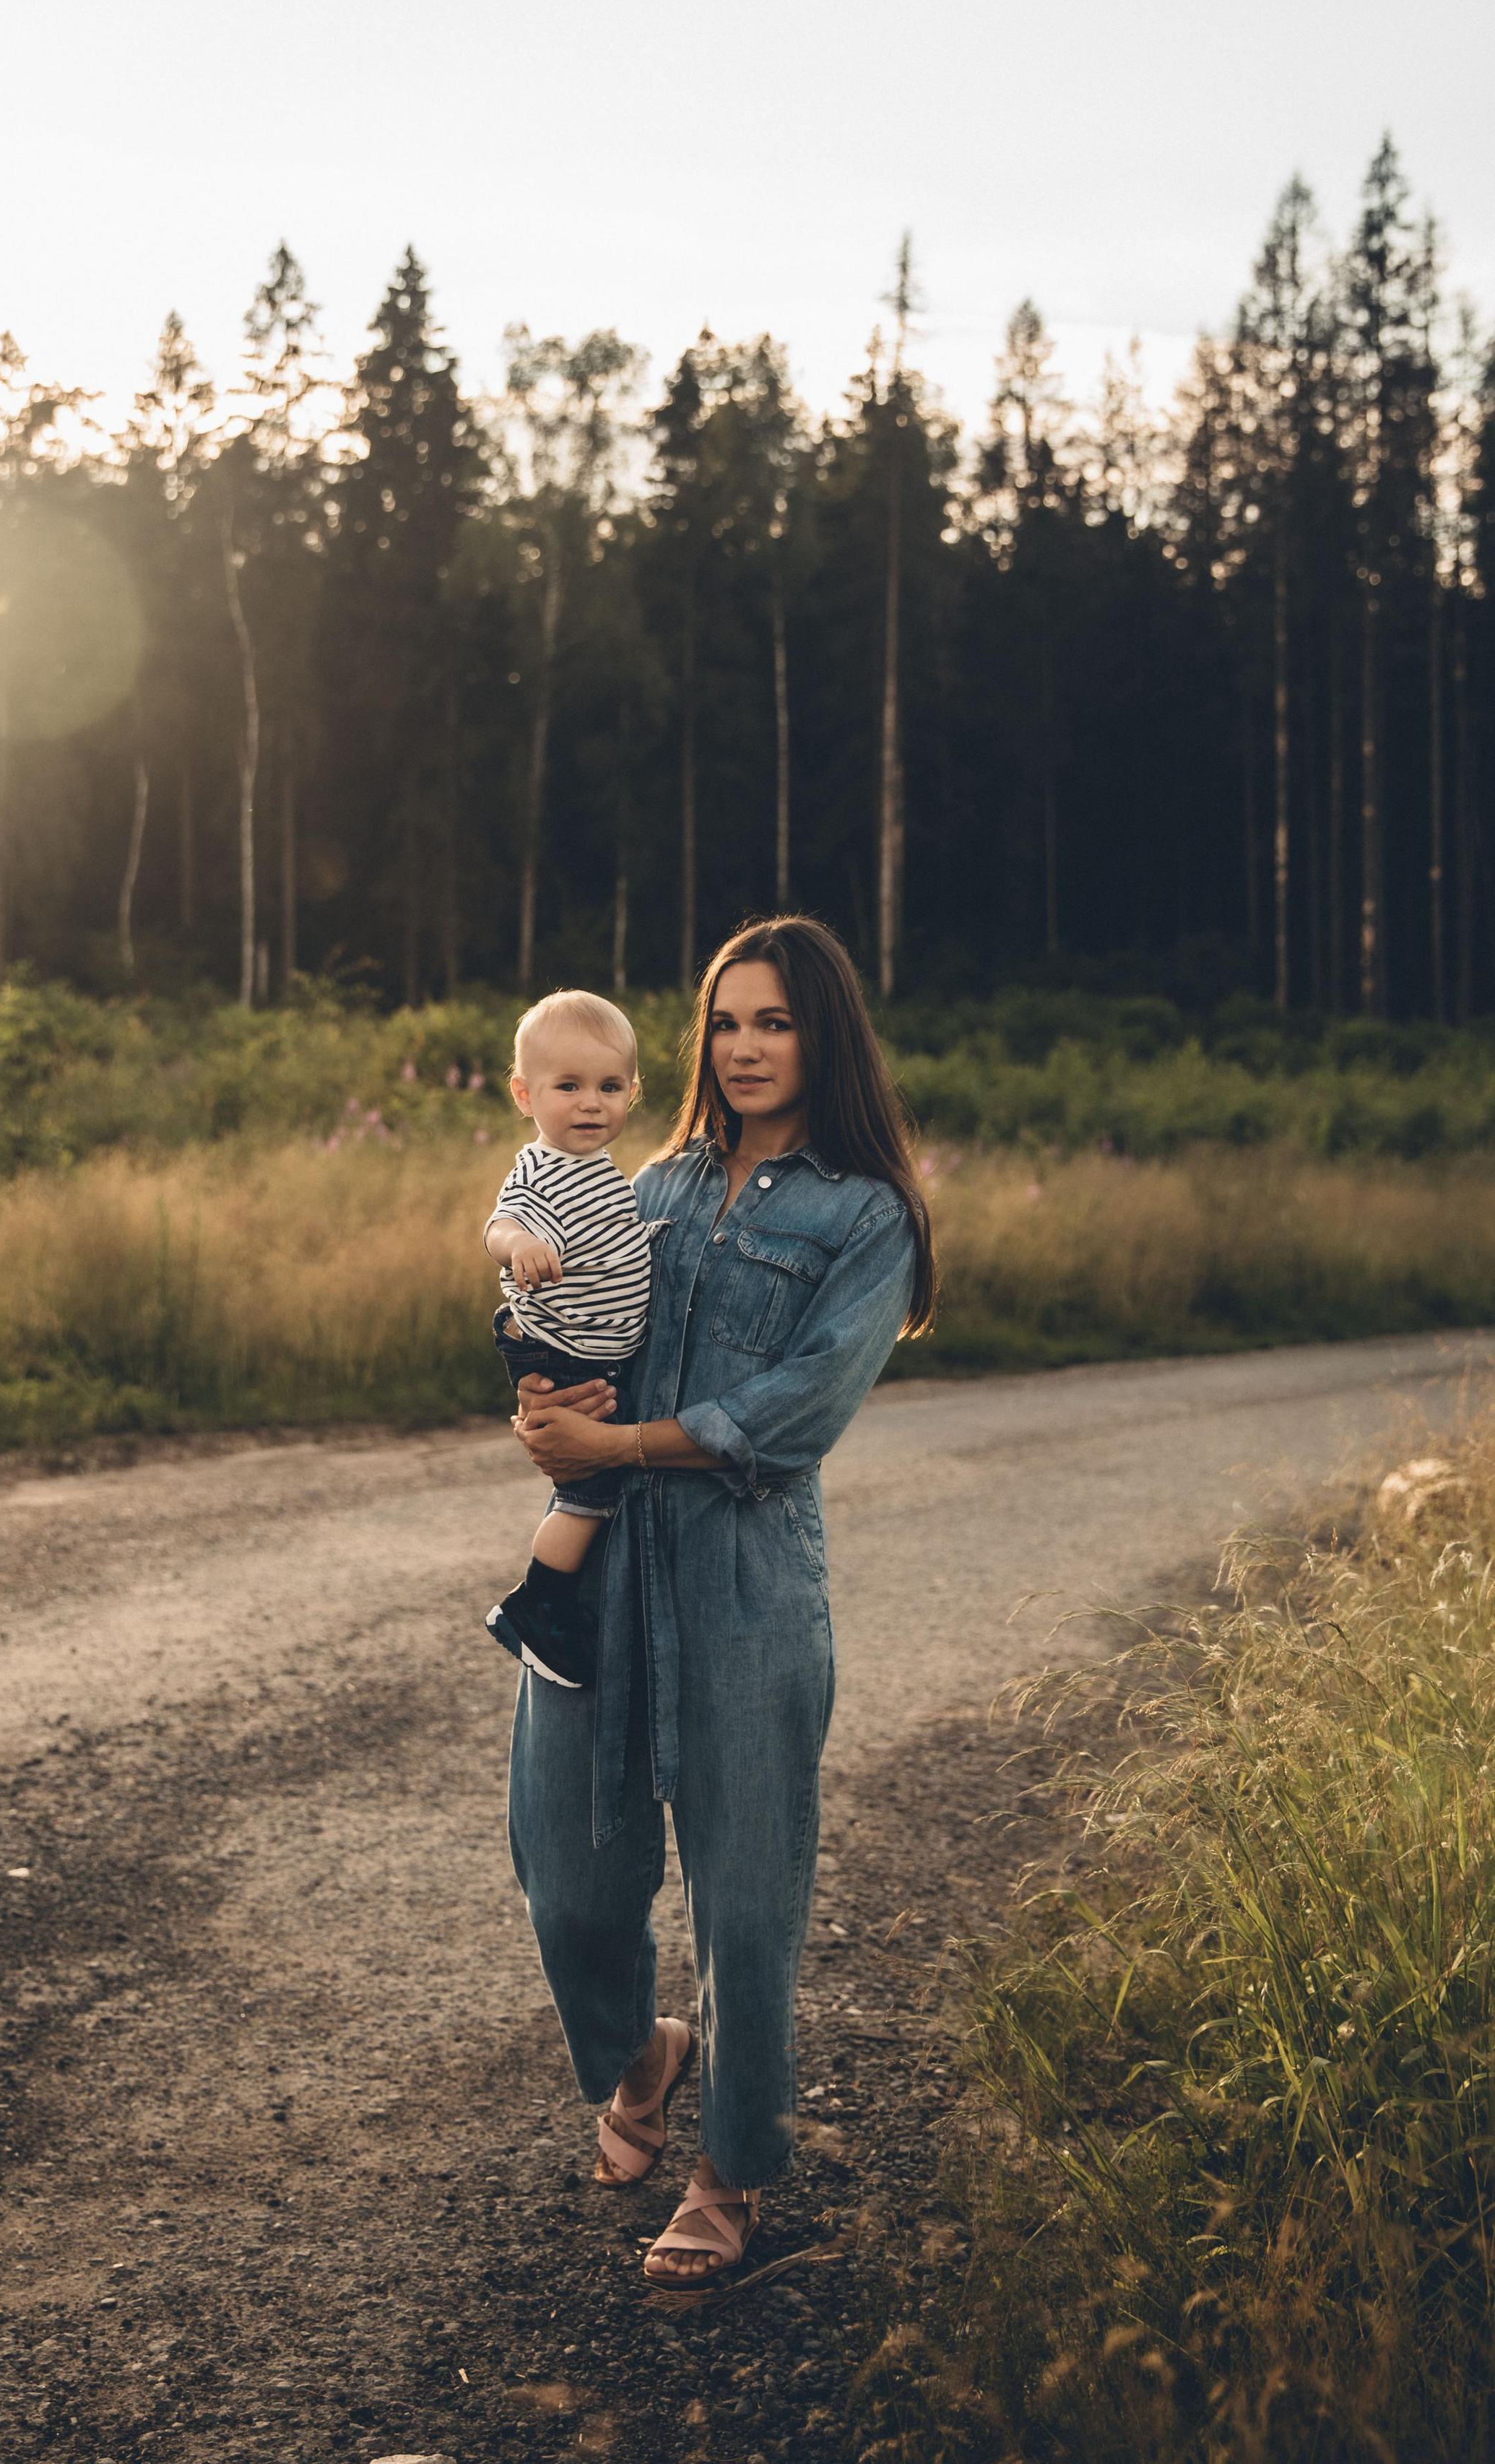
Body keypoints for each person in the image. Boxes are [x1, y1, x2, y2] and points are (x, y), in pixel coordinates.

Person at [504, 915, 936, 2289]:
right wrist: (541, 1399)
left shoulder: (867, 1217)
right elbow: (576, 1328)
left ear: (826, 1039)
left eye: (777, 1023)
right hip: (605, 1576)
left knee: (746, 1904)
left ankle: (730, 2171)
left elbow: (794, 1414)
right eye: (728, 1023)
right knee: (564, 1873)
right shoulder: (650, 1185)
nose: (745, 1049)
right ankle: (641, 2054)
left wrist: (622, 1446)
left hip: (748, 1587)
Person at [482, 990, 652, 1689]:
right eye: (569, 1087)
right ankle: (538, 1602)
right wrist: (517, 1244)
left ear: (633, 1093)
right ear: (525, 1095)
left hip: (588, 1349)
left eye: (609, 1087)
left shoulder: (603, 1170)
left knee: (591, 1479)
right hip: (558, 1350)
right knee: (590, 1491)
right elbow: (498, 1225)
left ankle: (552, 1597)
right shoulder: (539, 1168)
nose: (591, 1104)